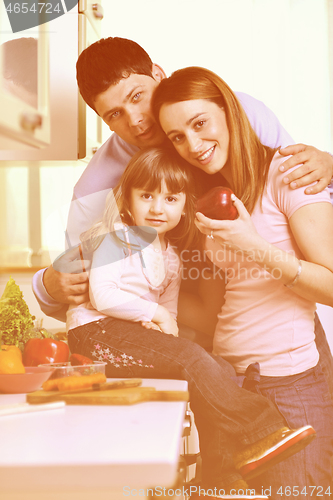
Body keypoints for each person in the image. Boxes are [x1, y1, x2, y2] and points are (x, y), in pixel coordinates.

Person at [67, 145, 316, 499]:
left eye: (171, 198)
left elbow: (171, 312)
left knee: (219, 366)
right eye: (147, 196)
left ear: (185, 206)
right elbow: (102, 296)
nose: (157, 207)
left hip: (129, 336)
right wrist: (156, 316)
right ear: (128, 199)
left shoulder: (170, 258)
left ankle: (219, 476)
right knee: (192, 358)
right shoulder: (115, 238)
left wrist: (164, 327)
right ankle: (261, 430)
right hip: (93, 334)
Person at [152, 66, 333, 498]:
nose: (193, 145)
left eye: (200, 124)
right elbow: (219, 307)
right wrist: (135, 302)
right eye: (178, 137)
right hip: (229, 387)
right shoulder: (210, 197)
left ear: (229, 112)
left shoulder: (289, 173)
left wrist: (252, 245)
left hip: (289, 386)